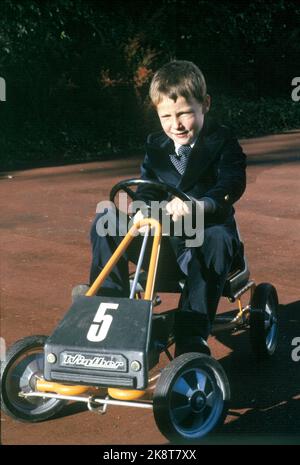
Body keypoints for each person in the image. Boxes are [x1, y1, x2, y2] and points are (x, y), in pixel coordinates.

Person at [76, 60, 246, 357]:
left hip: (204, 236)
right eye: (166, 116)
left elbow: (231, 182)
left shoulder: (222, 141)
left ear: (205, 105)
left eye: (184, 114)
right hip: (162, 241)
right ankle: (106, 305)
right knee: (106, 219)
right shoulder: (157, 144)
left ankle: (191, 335)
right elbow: (148, 187)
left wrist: (200, 204)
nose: (176, 125)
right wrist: (141, 207)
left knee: (217, 238)